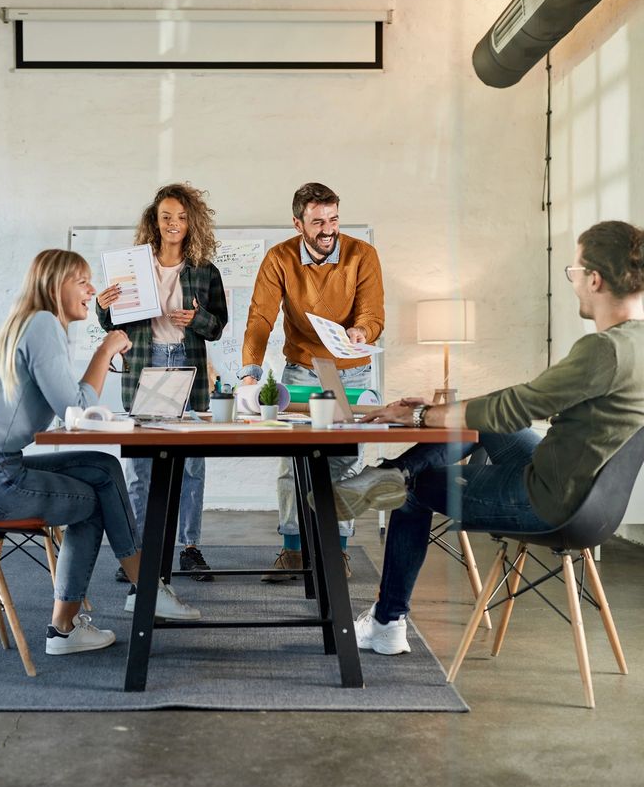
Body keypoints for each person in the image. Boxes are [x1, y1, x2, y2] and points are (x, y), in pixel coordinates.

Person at [328, 220, 644, 655]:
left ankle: (387, 623)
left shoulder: (603, 350)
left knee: (411, 491)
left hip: (549, 499)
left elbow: (519, 405)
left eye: (573, 272)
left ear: (595, 278)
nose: (574, 283)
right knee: (487, 416)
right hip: (588, 493)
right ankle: (387, 473)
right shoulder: (636, 344)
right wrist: (436, 414)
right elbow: (525, 403)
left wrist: (422, 415)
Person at [0, 249, 199, 657]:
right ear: (54, 285)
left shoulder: (28, 324)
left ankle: (142, 589)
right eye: (81, 281)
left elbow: (69, 409)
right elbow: (74, 411)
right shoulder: (43, 324)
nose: (92, 290)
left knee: (100, 466)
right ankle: (97, 613)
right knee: (95, 498)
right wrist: (105, 350)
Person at [238, 182, 385, 580]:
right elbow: (260, 319)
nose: (327, 230)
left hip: (350, 372)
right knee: (292, 462)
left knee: (344, 462)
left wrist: (361, 332)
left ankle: (337, 551)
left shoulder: (362, 255)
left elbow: (373, 314)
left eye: (333, 219)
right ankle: (292, 549)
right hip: (301, 370)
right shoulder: (279, 258)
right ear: (298, 222)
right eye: (317, 221)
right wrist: (250, 373)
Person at [96, 184, 228, 580]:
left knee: (191, 464)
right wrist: (103, 309)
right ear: (154, 220)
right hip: (144, 362)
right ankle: (137, 554)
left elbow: (218, 326)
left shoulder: (205, 269)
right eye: (166, 216)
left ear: (193, 222)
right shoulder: (132, 266)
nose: (174, 224)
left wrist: (196, 320)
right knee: (140, 466)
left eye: (182, 218)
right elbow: (112, 321)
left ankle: (190, 547)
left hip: (186, 364)